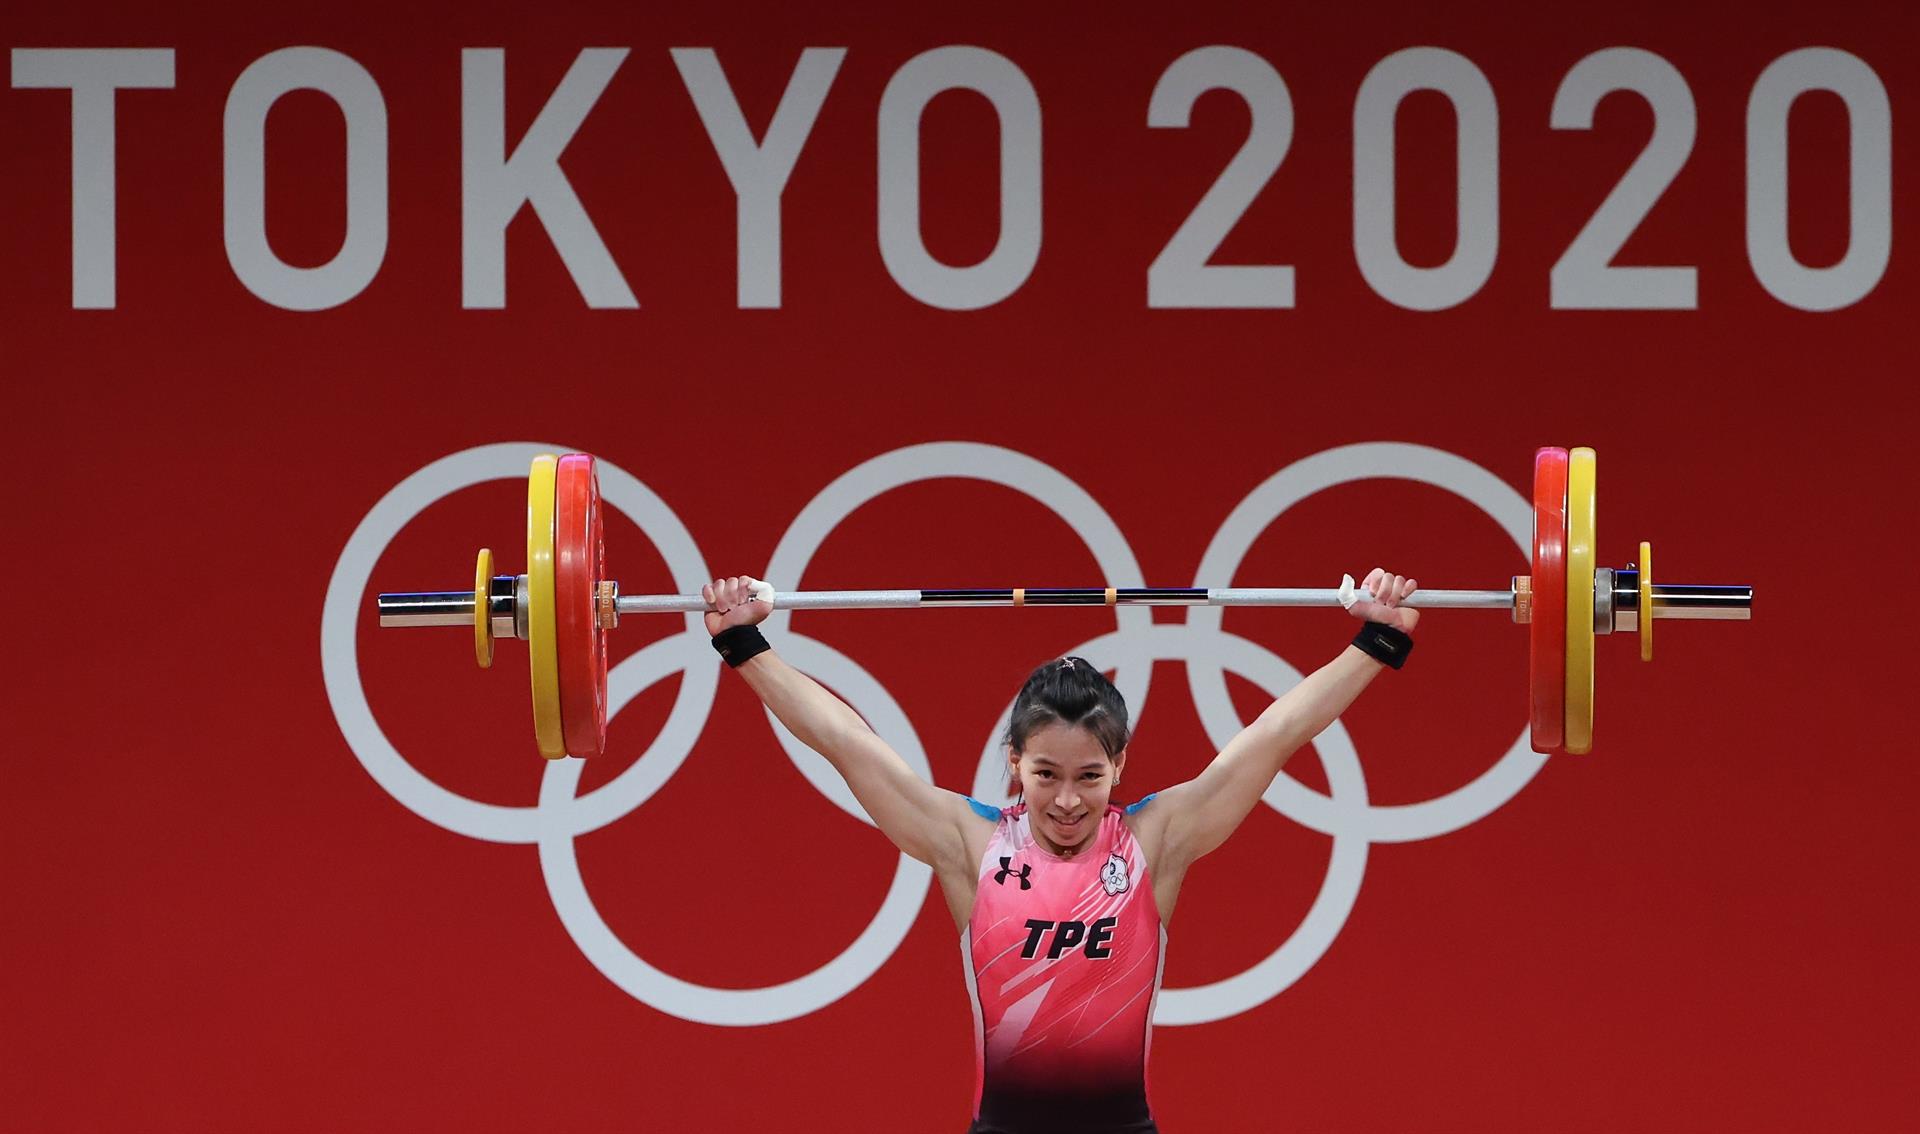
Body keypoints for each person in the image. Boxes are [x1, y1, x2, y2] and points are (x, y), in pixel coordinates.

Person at [701, 569, 1420, 1134]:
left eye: (1089, 777)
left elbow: (1275, 734)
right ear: (1015, 762)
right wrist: (745, 646)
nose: (1068, 801)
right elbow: (845, 742)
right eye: (1046, 775)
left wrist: (1374, 642)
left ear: (1120, 766)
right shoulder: (969, 843)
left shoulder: (1154, 841)